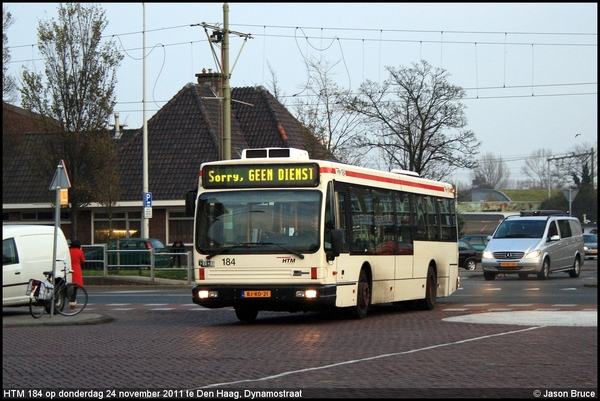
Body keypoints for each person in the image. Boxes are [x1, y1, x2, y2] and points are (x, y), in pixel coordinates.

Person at [68, 239, 85, 309]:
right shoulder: (80, 252)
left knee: (68, 284)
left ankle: (70, 298)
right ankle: (73, 301)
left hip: (69, 268)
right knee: (75, 287)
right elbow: (83, 261)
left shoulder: (68, 251)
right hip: (76, 269)